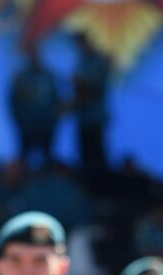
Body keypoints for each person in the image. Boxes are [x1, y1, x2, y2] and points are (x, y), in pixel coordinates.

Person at [8, 48, 61, 168]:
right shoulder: (21, 77)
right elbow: (13, 101)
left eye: (36, 57)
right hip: (27, 125)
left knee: (48, 157)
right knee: (24, 157)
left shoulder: (49, 76)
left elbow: (56, 100)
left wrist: (54, 119)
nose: (34, 60)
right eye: (31, 57)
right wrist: (19, 119)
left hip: (46, 124)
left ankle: (47, 176)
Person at [71, 33, 112, 178]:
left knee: (98, 158)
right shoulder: (82, 61)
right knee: (85, 159)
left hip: (95, 117)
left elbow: (95, 88)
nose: (81, 47)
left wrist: (81, 85)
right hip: (83, 118)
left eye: (82, 43)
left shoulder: (99, 61)